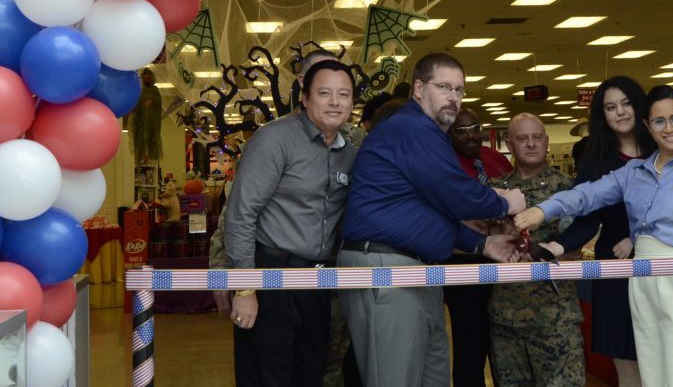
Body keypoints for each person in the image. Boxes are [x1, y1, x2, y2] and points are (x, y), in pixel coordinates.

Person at [514, 86, 673, 387]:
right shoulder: (633, 172)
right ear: (646, 125)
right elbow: (585, 195)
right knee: (653, 378)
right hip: (641, 285)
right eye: (659, 121)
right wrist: (542, 210)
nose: (669, 128)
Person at [337, 53, 526, 387]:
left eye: (460, 90)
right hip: (388, 267)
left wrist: (482, 243)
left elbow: (430, 210)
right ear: (419, 89)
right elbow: (456, 195)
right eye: (444, 87)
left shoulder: (425, 133)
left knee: (433, 376)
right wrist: (503, 201)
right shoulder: (413, 128)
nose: (454, 97)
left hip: (417, 269)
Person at [225, 59, 360, 387]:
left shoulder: (351, 151)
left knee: (310, 372)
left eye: (343, 95)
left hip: (315, 281)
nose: (335, 102)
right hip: (270, 274)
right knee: (267, 375)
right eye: (325, 93)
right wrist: (244, 289)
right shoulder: (275, 140)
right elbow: (241, 213)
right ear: (304, 97)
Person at [541, 77, 656, 387]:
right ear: (601, 115)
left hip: (660, 262)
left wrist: (637, 237)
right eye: (610, 107)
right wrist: (556, 246)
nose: (619, 112)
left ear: (639, 105)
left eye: (626, 103)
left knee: (661, 356)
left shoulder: (662, 150)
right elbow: (586, 220)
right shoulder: (596, 160)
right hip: (615, 268)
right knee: (625, 359)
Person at [487, 114, 584, 387]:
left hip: (554, 317)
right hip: (506, 316)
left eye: (537, 137)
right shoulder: (496, 193)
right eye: (522, 138)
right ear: (509, 144)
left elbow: (574, 245)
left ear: (547, 141)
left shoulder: (566, 189)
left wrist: (538, 251)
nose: (531, 144)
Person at [444, 107, 513, 387]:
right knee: (471, 341)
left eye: (474, 128)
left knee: (503, 342)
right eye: (461, 131)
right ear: (448, 134)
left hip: (503, 260)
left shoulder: (495, 159)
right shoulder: (444, 163)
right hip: (464, 262)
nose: (471, 136)